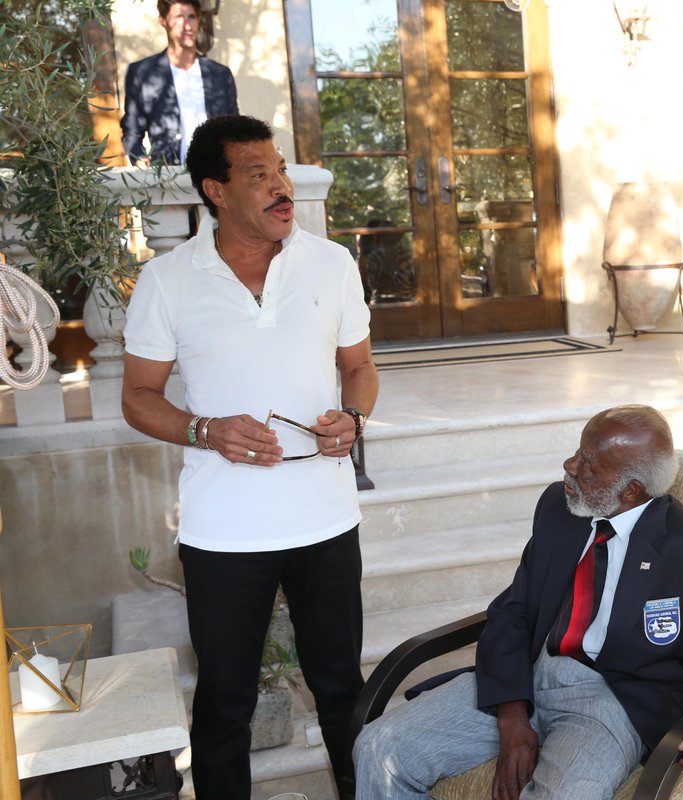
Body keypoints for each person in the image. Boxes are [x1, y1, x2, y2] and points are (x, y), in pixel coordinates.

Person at [122, 115, 377, 799]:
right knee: (224, 705)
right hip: (223, 531)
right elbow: (139, 399)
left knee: (341, 693)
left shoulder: (332, 263)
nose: (279, 187)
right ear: (217, 190)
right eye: (257, 175)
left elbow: (360, 368)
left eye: (281, 170)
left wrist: (352, 418)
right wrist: (206, 431)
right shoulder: (168, 281)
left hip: (325, 521)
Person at [354, 405, 683, 800]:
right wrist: (511, 714)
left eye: (588, 464)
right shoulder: (559, 508)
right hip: (528, 673)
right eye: (578, 452)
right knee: (379, 747)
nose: (569, 466)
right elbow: (514, 609)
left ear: (631, 490)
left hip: (611, 701)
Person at [121, 0, 238, 166]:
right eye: (179, 17)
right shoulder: (142, 73)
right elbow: (132, 130)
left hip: (216, 176)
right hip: (169, 181)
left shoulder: (220, 74)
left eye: (191, 17)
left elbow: (234, 130)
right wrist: (139, 159)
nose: (187, 25)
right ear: (163, 20)